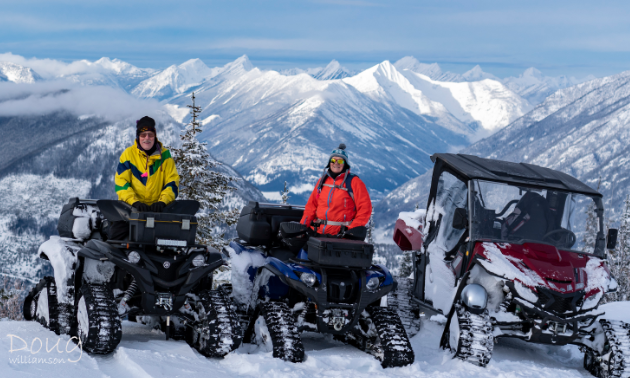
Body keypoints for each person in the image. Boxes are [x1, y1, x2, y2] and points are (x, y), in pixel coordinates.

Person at [108, 116, 180, 240]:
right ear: (138, 136)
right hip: (130, 210)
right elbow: (121, 183)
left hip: (158, 211)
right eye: (143, 135)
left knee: (171, 243)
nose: (147, 138)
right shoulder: (128, 155)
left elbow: (172, 182)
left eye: (150, 134)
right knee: (115, 241)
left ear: (155, 136)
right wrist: (134, 202)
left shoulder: (165, 155)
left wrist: (162, 202)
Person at [300, 143, 372, 238]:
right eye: (333, 160)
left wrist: (351, 230)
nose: (336, 163)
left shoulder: (354, 182)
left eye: (340, 161)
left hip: (339, 235)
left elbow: (365, 208)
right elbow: (311, 205)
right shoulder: (323, 180)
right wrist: (303, 226)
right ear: (329, 163)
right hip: (317, 232)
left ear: (345, 164)